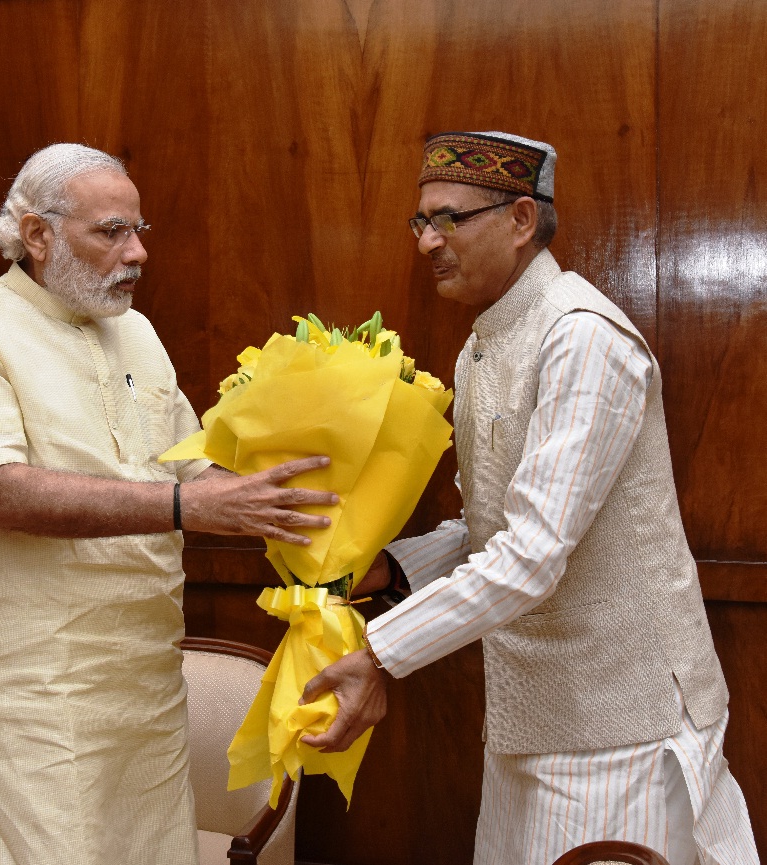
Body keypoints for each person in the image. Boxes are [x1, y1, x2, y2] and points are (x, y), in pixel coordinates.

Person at [300, 131, 759, 865]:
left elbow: (532, 554)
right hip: (530, 715)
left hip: (620, 722)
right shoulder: (482, 346)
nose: (426, 242)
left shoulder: (581, 337)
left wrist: (380, 654)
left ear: (520, 220)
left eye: (448, 219)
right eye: (421, 221)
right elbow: (493, 524)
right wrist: (388, 568)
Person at [0, 143, 339, 865]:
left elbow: (189, 466)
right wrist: (185, 507)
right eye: (111, 232)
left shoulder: (135, 330)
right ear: (37, 235)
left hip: (143, 681)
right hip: (22, 688)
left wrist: (315, 498)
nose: (137, 253)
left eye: (139, 231)